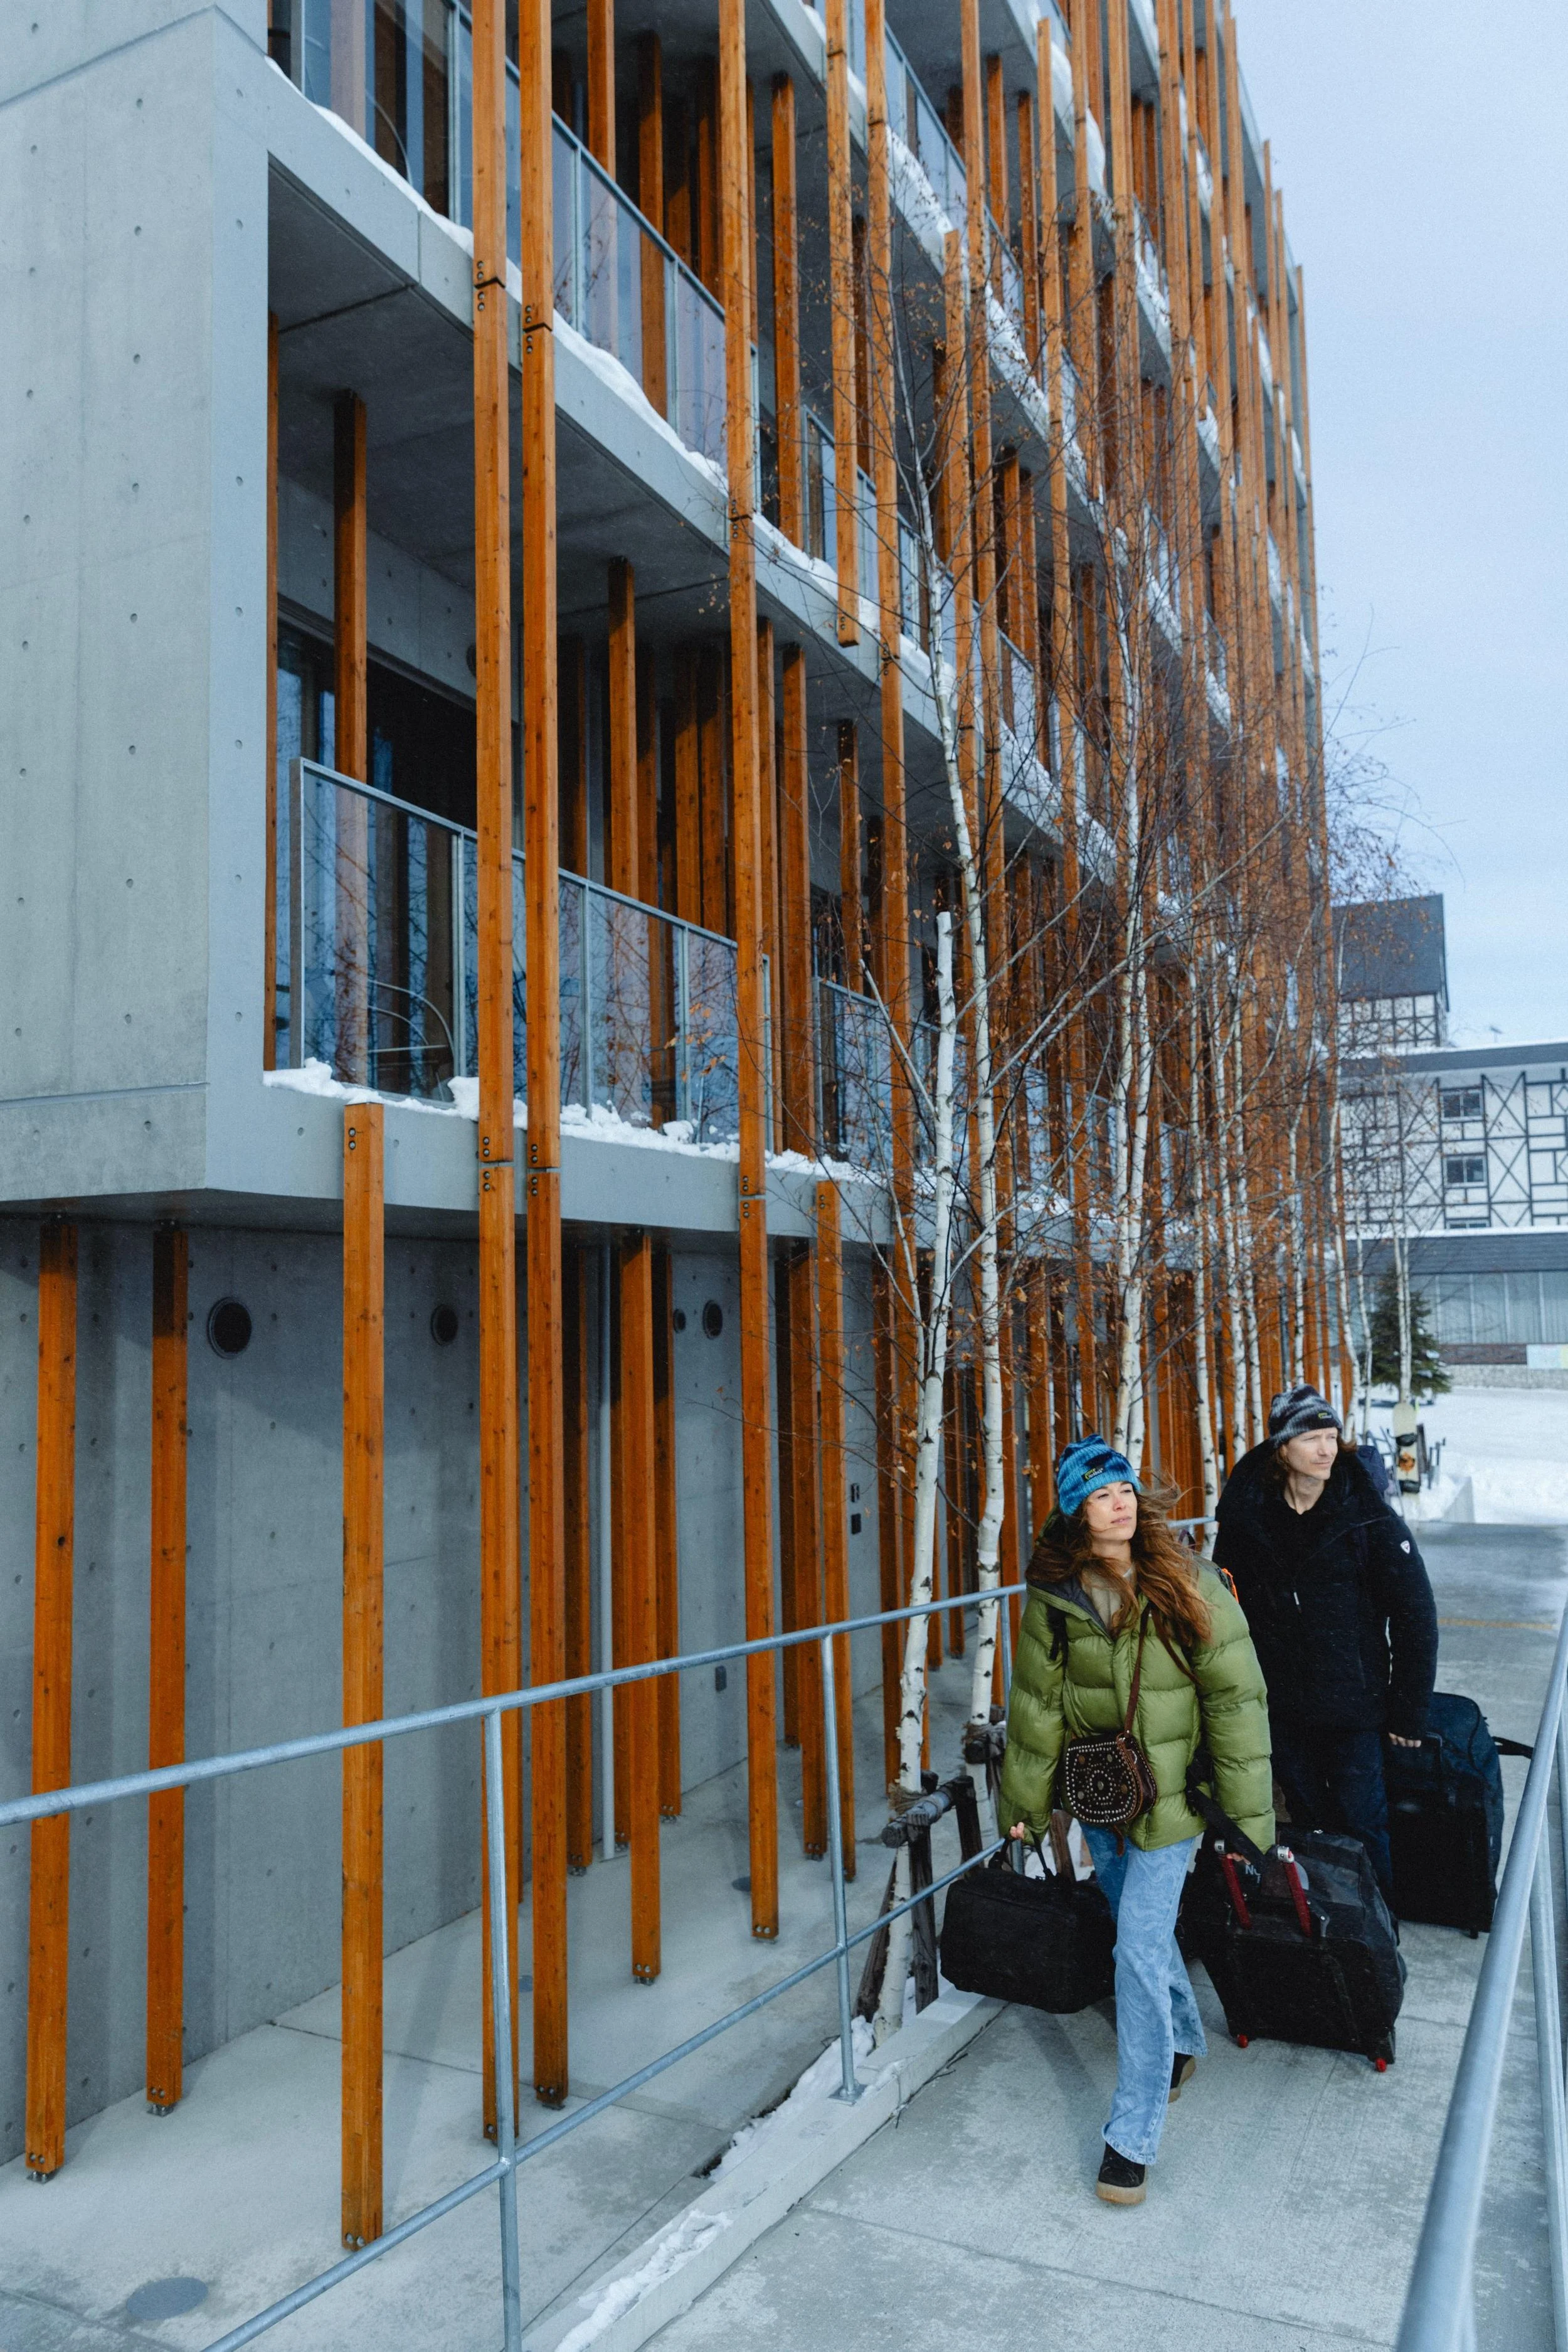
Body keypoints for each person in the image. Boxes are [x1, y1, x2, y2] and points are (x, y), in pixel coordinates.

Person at [998, 1435, 1273, 2208]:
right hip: (1102, 1797)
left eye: (1123, 1488)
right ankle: (1180, 2040)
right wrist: (1025, 1805)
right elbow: (1036, 1706)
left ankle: (1131, 2136)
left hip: (1176, 1798)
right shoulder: (1056, 1596)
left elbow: (1236, 1697)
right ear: (1075, 1513)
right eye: (1099, 1495)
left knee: (1138, 1947)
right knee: (1137, 1936)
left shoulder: (1189, 1577)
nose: (1118, 1503)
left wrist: (1245, 1813)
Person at [1213, 1384, 1438, 1907]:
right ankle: (1328, 1931)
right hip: (1282, 1707)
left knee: (1363, 1824)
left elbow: (1415, 1616)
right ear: (1282, 1448)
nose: (1326, 1449)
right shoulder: (1248, 1517)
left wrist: (1408, 1710)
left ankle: (1378, 1931)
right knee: (1307, 1825)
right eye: (1311, 1437)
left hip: (1354, 1708)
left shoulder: (1367, 1516)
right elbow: (1225, 1607)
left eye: (1332, 1437)